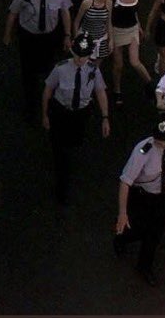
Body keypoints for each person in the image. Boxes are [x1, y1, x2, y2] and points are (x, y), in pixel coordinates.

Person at [42, 34, 110, 205]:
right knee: (60, 150)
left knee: (74, 144)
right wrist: (44, 114)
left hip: (80, 114)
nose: (81, 59)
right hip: (61, 113)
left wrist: (105, 117)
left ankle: (67, 168)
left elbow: (100, 92)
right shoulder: (61, 69)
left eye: (84, 55)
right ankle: (61, 186)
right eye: (78, 54)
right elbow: (48, 91)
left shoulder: (93, 71)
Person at [113, 114, 165, 286]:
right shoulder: (143, 150)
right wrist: (122, 213)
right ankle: (122, 238)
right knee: (139, 229)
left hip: (162, 197)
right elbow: (126, 181)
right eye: (159, 139)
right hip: (143, 196)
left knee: (155, 234)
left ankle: (144, 266)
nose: (161, 143)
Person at [4, 0, 74, 117]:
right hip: (29, 37)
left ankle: (49, 103)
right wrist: (7, 35)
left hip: (49, 38)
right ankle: (31, 106)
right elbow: (13, 13)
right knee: (29, 72)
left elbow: (65, 13)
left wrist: (68, 35)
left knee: (50, 70)